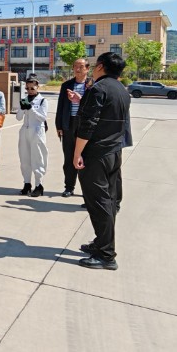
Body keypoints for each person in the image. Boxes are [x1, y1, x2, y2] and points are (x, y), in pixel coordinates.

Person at [73, 52, 130, 270]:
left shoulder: (98, 89)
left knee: (99, 203)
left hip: (96, 154)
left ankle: (106, 254)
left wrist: (77, 153)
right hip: (113, 152)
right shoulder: (122, 90)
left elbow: (88, 124)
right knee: (109, 200)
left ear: (100, 66)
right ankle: (101, 243)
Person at [56, 58, 92, 197]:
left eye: (81, 66)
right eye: (75, 66)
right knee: (69, 156)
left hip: (85, 123)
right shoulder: (66, 85)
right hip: (69, 123)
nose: (78, 69)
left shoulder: (93, 85)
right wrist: (59, 125)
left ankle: (87, 190)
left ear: (87, 68)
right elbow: (60, 106)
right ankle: (69, 187)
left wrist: (80, 98)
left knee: (86, 157)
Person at [16, 78, 49, 197]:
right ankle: (27, 183)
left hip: (37, 130)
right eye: (27, 88)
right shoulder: (24, 99)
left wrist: (31, 109)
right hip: (25, 130)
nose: (29, 90)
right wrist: (22, 108)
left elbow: (42, 117)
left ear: (37, 87)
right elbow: (18, 118)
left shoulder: (42, 100)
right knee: (24, 158)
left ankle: (39, 185)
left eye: (32, 88)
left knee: (37, 158)